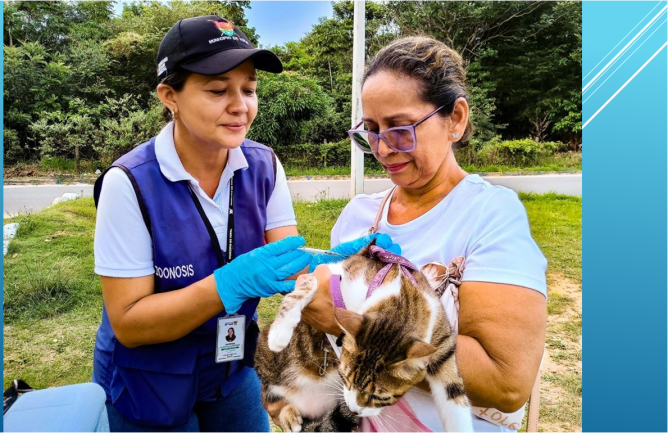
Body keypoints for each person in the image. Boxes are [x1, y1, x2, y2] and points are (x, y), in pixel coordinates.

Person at [91, 15, 396, 433]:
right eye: (218, 90)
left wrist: (345, 264)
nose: (241, 105)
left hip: (230, 367)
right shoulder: (129, 183)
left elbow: (291, 263)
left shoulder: (263, 165)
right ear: (170, 96)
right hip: (148, 378)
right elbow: (129, 322)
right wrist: (227, 284)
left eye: (249, 89)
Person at [267, 36, 548, 433]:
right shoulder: (357, 217)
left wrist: (352, 325)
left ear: (456, 119)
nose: (382, 149)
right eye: (371, 131)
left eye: (400, 129)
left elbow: (506, 383)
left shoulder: (490, 217)